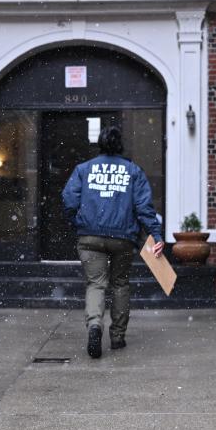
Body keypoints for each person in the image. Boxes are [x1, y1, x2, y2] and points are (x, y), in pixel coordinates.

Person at [61, 126, 164, 358]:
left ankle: (95, 324)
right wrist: (156, 235)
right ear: (120, 145)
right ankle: (117, 337)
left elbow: (68, 199)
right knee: (120, 284)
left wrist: (78, 222)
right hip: (123, 237)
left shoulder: (84, 169)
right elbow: (144, 208)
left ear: (100, 144)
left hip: (90, 237)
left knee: (96, 284)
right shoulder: (133, 171)